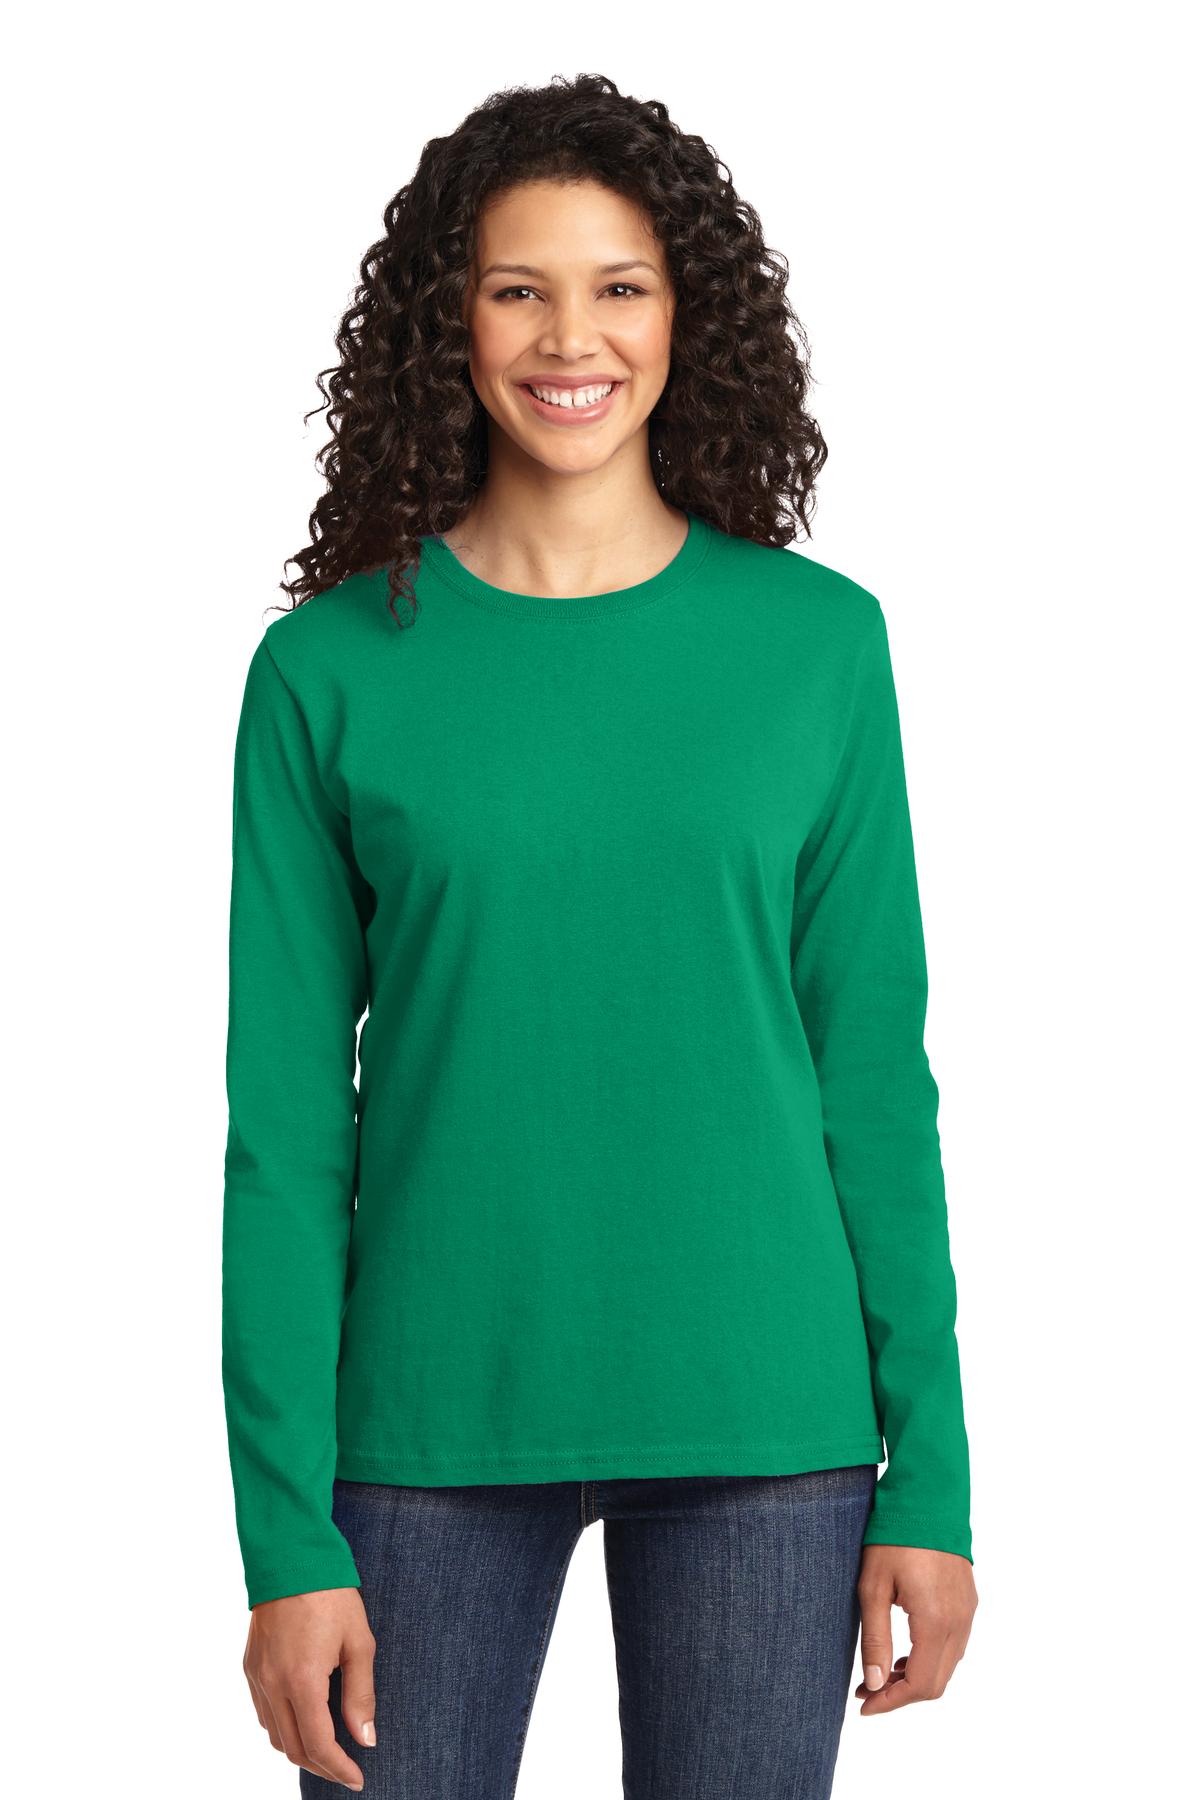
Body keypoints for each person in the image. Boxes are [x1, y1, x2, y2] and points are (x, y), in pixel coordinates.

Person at [221, 72, 978, 1800]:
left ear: (686, 315)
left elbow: (876, 1082)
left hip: (765, 1419)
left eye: (620, 285)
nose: (574, 339)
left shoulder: (816, 647)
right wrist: (283, 1534)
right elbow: (284, 1138)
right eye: (519, 288)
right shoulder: (325, 672)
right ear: (451, 323)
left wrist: (928, 1477)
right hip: (424, 1417)